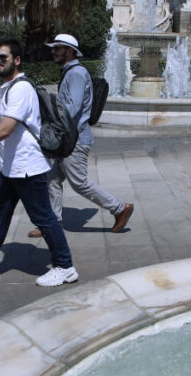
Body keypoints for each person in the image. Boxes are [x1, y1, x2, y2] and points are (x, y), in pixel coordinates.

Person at [0, 38, 79, 287]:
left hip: (26, 167)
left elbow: (5, 130)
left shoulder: (20, 89)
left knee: (44, 218)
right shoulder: (12, 87)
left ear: (17, 60)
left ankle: (65, 266)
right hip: (12, 167)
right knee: (0, 214)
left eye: (4, 57)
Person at [28, 34, 134, 238]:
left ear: (69, 51)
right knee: (51, 179)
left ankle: (120, 208)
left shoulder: (76, 74)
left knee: (79, 182)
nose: (53, 51)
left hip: (73, 140)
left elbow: (72, 108)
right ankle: (52, 223)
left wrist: (48, 107)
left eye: (57, 48)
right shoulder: (71, 73)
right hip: (66, 138)